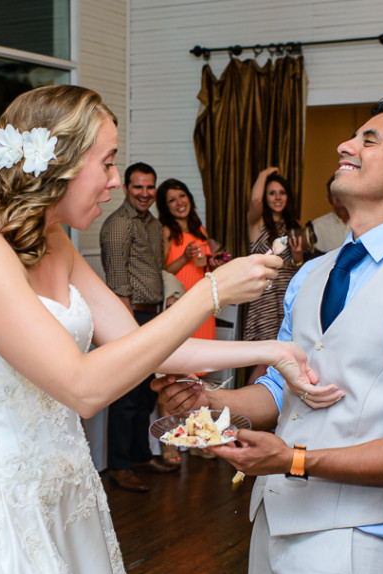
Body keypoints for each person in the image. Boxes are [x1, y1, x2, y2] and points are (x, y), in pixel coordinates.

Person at [0, 84, 328, 574]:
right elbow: (81, 386)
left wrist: (274, 352)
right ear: (60, 161)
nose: (114, 182)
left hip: (68, 496)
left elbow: (150, 346)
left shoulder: (56, 241)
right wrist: (211, 292)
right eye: (107, 163)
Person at [154, 97, 383, 574]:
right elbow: (276, 390)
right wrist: (210, 403)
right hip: (270, 520)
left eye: (369, 140)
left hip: (352, 541)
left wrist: (295, 459)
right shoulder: (312, 272)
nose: (345, 145)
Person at [100, 162, 176, 492]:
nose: (144, 194)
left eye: (149, 188)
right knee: (126, 396)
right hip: (129, 318)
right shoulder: (118, 225)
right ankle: (119, 465)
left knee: (146, 395)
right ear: (126, 188)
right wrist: (128, 330)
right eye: (137, 187)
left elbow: (156, 271)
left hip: (153, 315)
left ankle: (141, 456)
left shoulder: (153, 224)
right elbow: (118, 282)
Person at [244, 167, 304, 383]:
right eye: (272, 193)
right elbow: (256, 200)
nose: (277, 197)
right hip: (266, 296)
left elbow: (299, 271)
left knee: (284, 355)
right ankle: (247, 411)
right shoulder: (257, 223)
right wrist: (264, 174)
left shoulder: (294, 226)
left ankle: (270, 409)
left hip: (287, 296)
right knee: (265, 358)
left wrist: (298, 257)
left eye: (282, 192)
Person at [156, 178, 227, 341]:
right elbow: (161, 272)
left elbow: (205, 270)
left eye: (182, 196)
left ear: (189, 197)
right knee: (185, 356)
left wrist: (214, 264)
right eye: (172, 200)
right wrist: (185, 257)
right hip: (181, 303)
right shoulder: (166, 232)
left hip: (204, 301)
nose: (179, 202)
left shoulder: (201, 230)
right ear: (165, 207)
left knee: (205, 356)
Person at [305, 175, 350, 255]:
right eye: (334, 192)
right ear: (328, 198)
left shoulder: (367, 223)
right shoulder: (316, 227)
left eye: (342, 191)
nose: (338, 195)